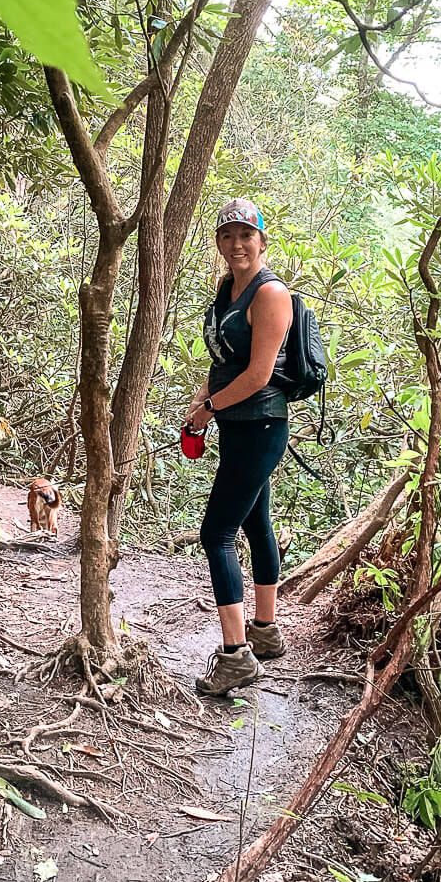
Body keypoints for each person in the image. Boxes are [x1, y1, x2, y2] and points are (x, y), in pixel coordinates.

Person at [185, 198, 293, 697]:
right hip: (234, 423)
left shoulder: (271, 295)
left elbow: (259, 374)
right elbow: (224, 361)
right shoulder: (226, 290)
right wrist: (200, 401)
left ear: (262, 241)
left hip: (262, 426)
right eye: (228, 236)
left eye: (246, 235)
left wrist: (212, 409)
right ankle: (265, 632)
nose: (237, 244)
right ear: (219, 244)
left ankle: (235, 657)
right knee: (255, 523)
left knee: (216, 534)